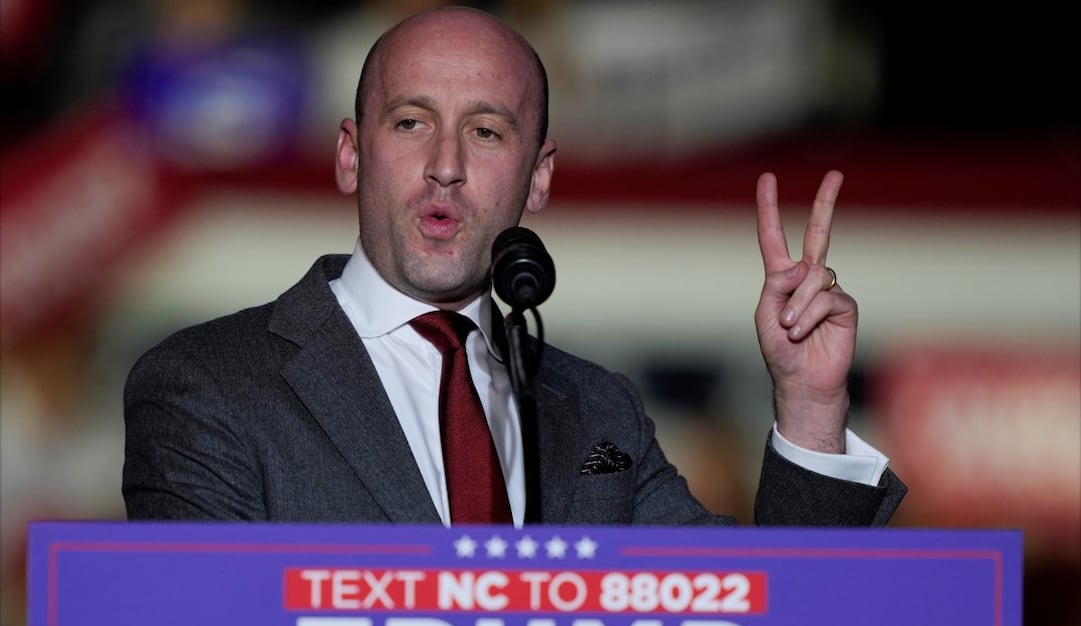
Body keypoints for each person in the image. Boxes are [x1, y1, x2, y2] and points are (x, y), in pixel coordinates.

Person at [123, 6, 905, 526]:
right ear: (350, 156)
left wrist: (808, 409)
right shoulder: (208, 385)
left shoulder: (597, 412)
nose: (445, 166)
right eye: (410, 122)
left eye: (487, 132)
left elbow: (759, 616)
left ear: (538, 177)